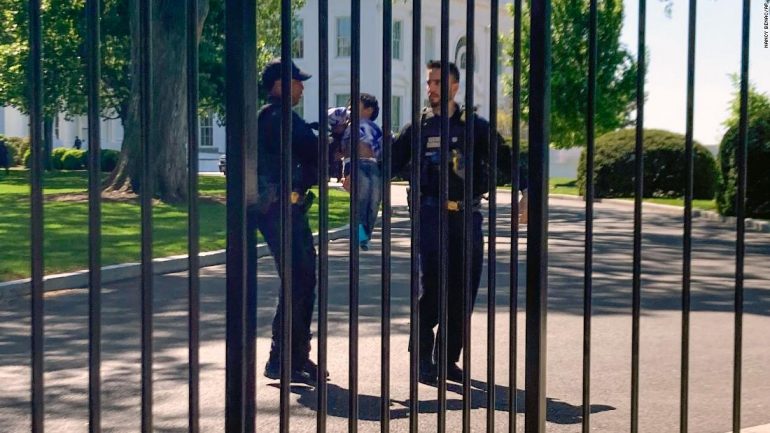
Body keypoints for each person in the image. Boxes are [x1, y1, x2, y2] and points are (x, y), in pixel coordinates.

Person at [392, 60, 527, 385]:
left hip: (467, 216)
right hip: (430, 215)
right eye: (429, 82)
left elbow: (505, 158)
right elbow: (391, 162)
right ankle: (422, 357)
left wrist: (527, 191)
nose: (432, 88)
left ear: (454, 86)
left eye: (438, 82)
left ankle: (447, 360)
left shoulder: (475, 127)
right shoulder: (419, 127)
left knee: (463, 290)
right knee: (434, 287)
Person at [251, 59, 322, 385]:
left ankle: (295, 355)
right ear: (280, 84)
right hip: (278, 210)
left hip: (287, 210)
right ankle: (280, 358)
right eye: (297, 81)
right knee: (299, 279)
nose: (302, 87)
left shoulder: (279, 119)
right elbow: (312, 152)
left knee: (303, 278)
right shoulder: (277, 118)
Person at [328, 93, 384, 250]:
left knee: (373, 202)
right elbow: (328, 116)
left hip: (372, 165)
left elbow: (381, 150)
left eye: (356, 105)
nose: (351, 108)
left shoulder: (374, 128)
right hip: (354, 164)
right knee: (361, 200)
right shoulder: (347, 125)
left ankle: (365, 235)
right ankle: (360, 237)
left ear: (369, 110)